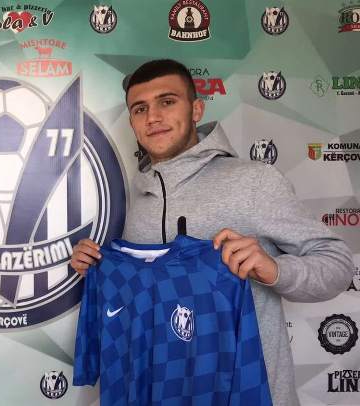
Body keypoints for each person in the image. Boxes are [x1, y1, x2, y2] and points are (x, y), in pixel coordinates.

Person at [69, 59, 354, 406]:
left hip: (248, 394)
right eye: (140, 109)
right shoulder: (134, 198)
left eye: (167, 101)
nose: (153, 117)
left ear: (196, 109)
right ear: (132, 122)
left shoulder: (254, 181)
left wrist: (275, 270)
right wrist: (96, 265)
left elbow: (338, 266)